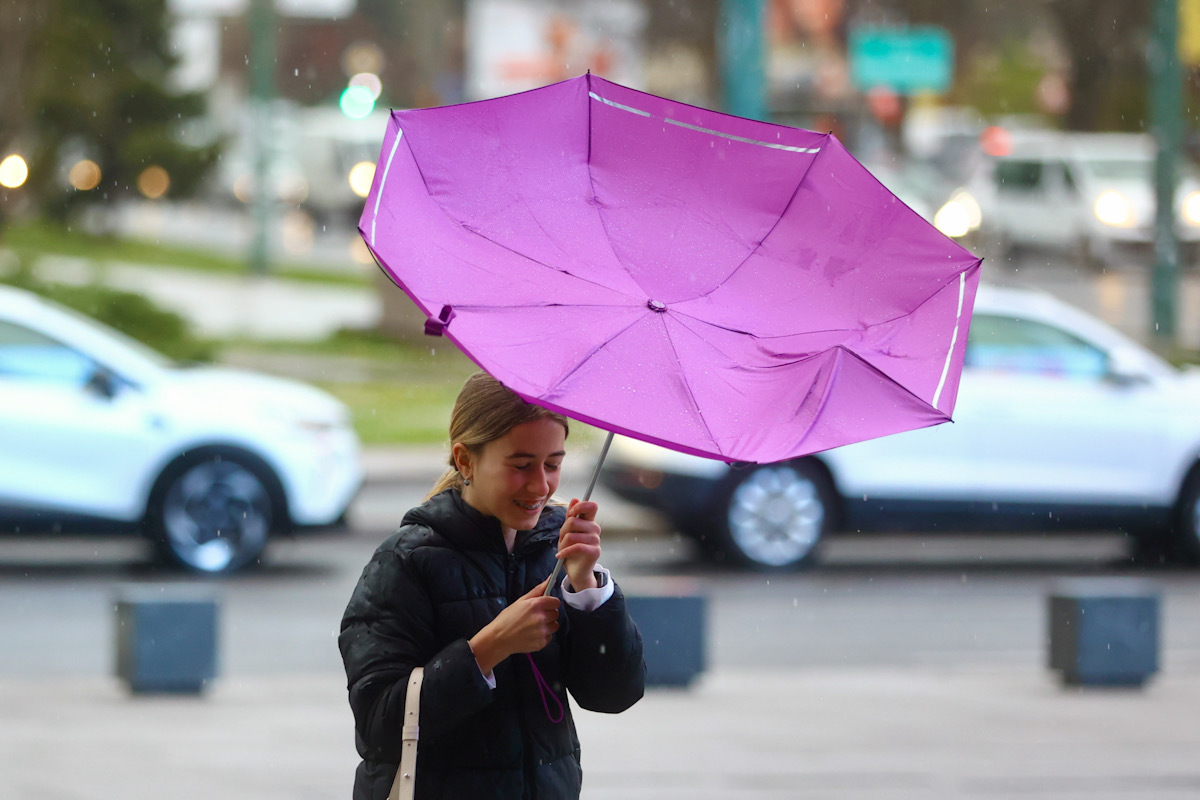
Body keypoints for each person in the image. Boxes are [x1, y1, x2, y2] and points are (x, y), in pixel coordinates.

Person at [340, 372, 645, 800]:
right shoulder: (405, 562)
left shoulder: (557, 554)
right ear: (465, 461)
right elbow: (379, 728)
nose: (541, 486)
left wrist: (587, 587)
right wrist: (488, 648)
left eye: (553, 464)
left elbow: (614, 695)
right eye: (521, 466)